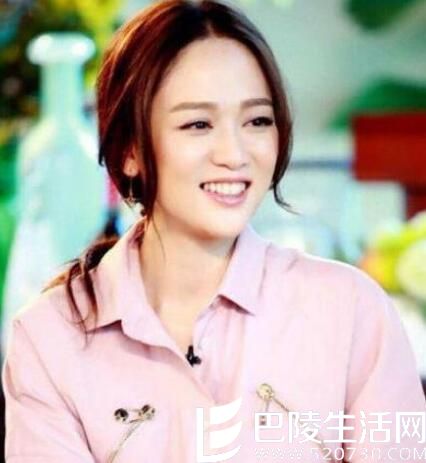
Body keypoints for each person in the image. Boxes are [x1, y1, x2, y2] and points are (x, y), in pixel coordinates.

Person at [2, 1, 425, 462]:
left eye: (257, 121)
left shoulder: (351, 311)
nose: (234, 154)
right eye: (198, 124)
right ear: (128, 149)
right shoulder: (49, 339)